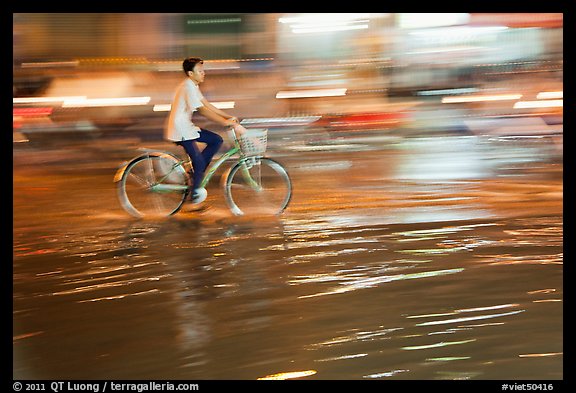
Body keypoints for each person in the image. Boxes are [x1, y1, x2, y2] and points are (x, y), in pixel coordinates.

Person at [164, 57, 244, 204]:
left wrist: (228, 116)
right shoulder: (187, 87)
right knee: (199, 162)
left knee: (216, 140)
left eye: (203, 70)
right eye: (199, 71)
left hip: (186, 127)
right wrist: (224, 122)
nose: (203, 73)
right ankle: (194, 194)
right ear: (190, 73)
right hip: (180, 129)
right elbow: (202, 111)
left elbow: (206, 105)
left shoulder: (193, 86)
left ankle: (195, 175)